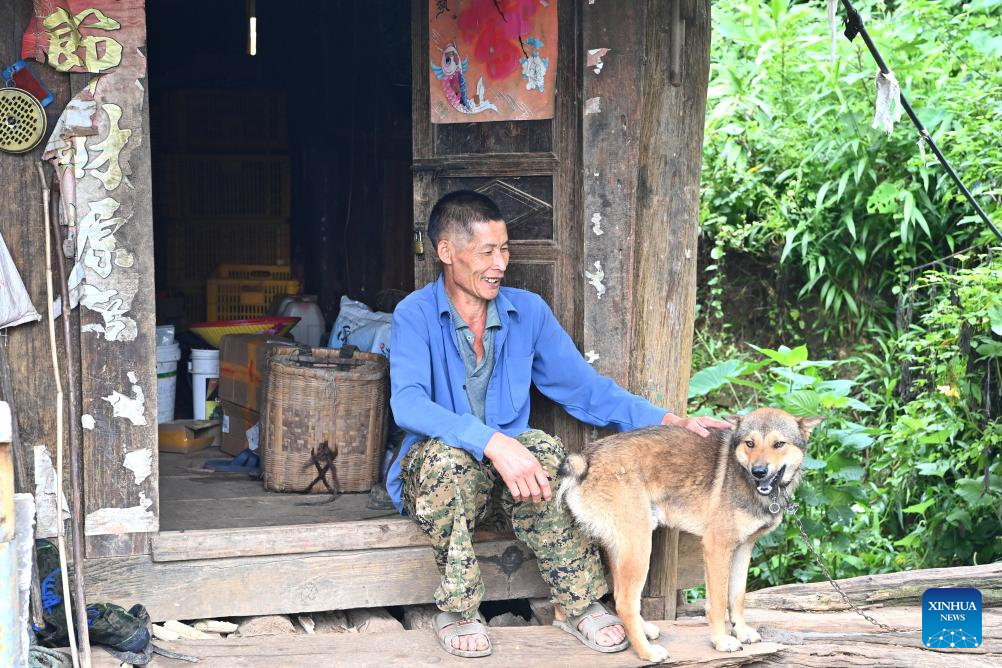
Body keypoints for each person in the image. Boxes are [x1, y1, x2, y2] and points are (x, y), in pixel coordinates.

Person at [388, 190, 730, 658]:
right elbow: (407, 404)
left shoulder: (526, 312)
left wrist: (669, 420)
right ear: (447, 252)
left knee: (549, 455)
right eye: (486, 251)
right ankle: (459, 611)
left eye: (504, 249)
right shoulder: (413, 314)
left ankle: (577, 603)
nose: (500, 263)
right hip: (443, 481)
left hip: (513, 483)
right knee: (447, 462)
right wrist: (491, 442)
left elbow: (584, 389)